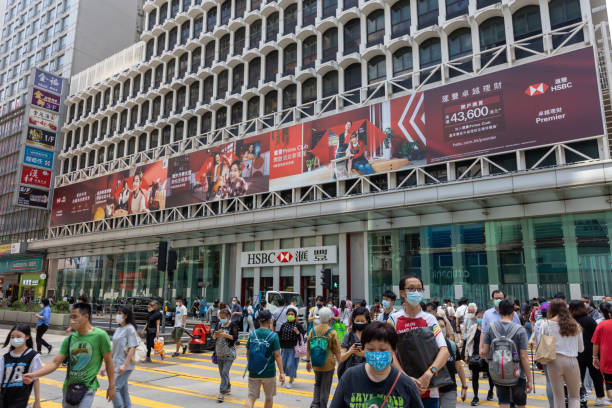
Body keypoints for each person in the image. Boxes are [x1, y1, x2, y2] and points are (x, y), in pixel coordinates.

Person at [24, 302, 115, 408]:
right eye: (71, 317)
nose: (72, 320)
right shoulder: (69, 339)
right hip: (69, 388)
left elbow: (108, 361)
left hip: (88, 387)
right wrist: (34, 374)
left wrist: (112, 386)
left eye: (75, 317)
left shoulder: (100, 336)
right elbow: (55, 363)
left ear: (86, 316)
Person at [388, 275, 450, 408]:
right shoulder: (393, 320)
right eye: (411, 289)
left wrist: (429, 374)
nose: (416, 292)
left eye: (419, 289)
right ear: (402, 292)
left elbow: (444, 351)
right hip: (400, 387)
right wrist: (405, 378)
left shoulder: (430, 319)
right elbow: (389, 352)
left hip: (429, 389)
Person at [330, 321, 424, 408]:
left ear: (394, 351)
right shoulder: (350, 377)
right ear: (364, 349)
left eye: (383, 350)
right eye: (371, 349)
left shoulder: (406, 385)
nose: (377, 354)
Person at [482, 300, 532, 408]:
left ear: (499, 312)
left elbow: (485, 352)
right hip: (518, 374)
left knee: (503, 403)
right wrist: (529, 379)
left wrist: (495, 363)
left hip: (499, 374)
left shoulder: (490, 327)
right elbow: (524, 356)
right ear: (513, 312)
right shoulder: (520, 330)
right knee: (520, 404)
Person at [538, 299, 583, 408]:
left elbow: (540, 343)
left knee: (558, 397)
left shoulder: (546, 324)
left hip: (554, 361)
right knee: (574, 396)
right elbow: (581, 349)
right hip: (572, 361)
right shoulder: (575, 325)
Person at [244, 310, 285, 408]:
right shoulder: (273, 336)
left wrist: (254, 364)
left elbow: (248, 353)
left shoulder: (253, 334)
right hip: (269, 372)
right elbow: (278, 355)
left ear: (259, 321)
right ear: (270, 321)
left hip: (253, 372)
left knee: (251, 397)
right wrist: (282, 373)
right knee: (269, 397)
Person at [569, 300, 607, 406]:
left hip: (576, 353)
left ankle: (581, 399)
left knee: (578, 378)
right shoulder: (590, 320)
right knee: (596, 376)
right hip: (592, 353)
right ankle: (600, 398)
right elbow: (597, 337)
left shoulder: (569, 321)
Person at [0, 324, 43, 408]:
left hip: (20, 399)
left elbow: (36, 379)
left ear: (27, 336)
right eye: (12, 337)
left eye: (18, 336)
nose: (15, 339)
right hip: (3, 398)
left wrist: (37, 401)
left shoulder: (33, 356)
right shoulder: (5, 357)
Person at [306, 307, 342, 408]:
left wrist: (308, 361)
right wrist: (341, 364)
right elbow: (337, 350)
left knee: (317, 384)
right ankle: (322, 405)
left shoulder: (313, 330)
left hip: (316, 363)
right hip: (328, 364)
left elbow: (308, 347)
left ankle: (315, 404)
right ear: (330, 318)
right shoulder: (332, 332)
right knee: (325, 387)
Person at [106, 305, 139, 408]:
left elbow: (132, 347)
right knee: (124, 391)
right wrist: (106, 366)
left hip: (125, 366)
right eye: (117, 313)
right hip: (116, 365)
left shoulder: (130, 329)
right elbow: (114, 349)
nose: (117, 315)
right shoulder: (119, 329)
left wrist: (124, 365)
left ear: (126, 316)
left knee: (114, 388)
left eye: (120, 313)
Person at [463, 310, 494, 406]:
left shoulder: (491, 328)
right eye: (479, 316)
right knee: (475, 377)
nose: (480, 318)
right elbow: (468, 342)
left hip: (487, 356)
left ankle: (491, 390)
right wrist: (466, 355)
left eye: (482, 316)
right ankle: (475, 397)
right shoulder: (473, 328)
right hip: (475, 356)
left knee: (491, 376)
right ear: (476, 317)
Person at [479, 290, 521, 358]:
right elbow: (483, 332)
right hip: (493, 349)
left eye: (500, 298)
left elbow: (519, 332)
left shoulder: (513, 314)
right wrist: (481, 348)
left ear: (504, 299)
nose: (498, 300)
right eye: (496, 298)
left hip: (511, 348)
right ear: (492, 299)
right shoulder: (487, 314)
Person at [436, 317, 467, 408]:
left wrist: (464, 387)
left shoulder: (452, 345)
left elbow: (459, 367)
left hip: (450, 389)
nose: (441, 329)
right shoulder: (428, 346)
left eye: (443, 326)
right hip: (433, 390)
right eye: (438, 327)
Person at [529, 302, 554, 408]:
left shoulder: (538, 323)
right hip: (556, 354)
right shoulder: (554, 322)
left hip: (543, 353)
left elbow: (536, 339)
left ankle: (552, 405)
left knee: (549, 380)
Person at [213, 308, 239, 402]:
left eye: (223, 317)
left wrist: (225, 335)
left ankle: (221, 393)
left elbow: (235, 338)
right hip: (219, 352)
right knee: (222, 373)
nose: (222, 319)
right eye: (220, 317)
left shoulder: (233, 325)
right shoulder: (219, 325)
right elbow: (213, 336)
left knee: (224, 372)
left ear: (228, 317)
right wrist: (216, 335)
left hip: (229, 353)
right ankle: (228, 386)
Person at [338, 306, 369, 379]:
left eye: (362, 321)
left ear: (367, 321)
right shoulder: (348, 336)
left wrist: (363, 354)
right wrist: (350, 351)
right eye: (357, 320)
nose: (360, 323)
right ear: (353, 320)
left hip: (367, 374)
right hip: (350, 375)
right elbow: (341, 358)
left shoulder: (371, 336)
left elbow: (377, 357)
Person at [278, 306, 306, 388]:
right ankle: (283, 379)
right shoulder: (283, 325)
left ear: (295, 316)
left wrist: (297, 332)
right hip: (284, 348)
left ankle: (291, 380)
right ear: (286, 315)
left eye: (292, 314)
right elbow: (279, 335)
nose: (290, 315)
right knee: (283, 365)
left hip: (293, 348)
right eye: (289, 314)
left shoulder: (297, 325)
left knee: (291, 365)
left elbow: (302, 336)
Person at [592, 302, 612, 403]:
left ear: (609, 314)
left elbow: (596, 343)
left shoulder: (601, 324)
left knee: (609, 384)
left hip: (607, 359)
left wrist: (595, 357)